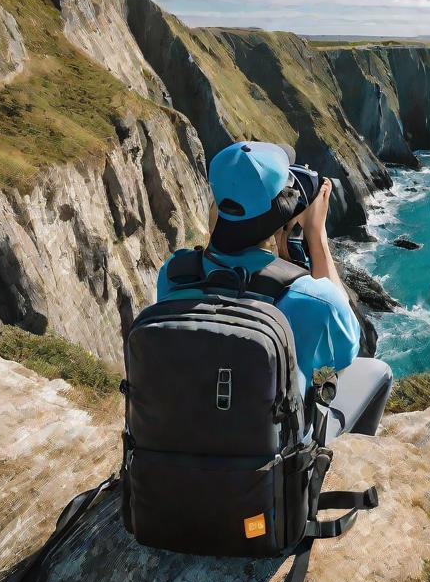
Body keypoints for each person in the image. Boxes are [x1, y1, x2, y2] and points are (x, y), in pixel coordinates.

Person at [156, 140, 393, 443]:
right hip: (270, 466)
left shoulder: (175, 274)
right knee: (377, 370)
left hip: (188, 443)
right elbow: (352, 349)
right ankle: (334, 463)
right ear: (283, 206)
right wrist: (315, 236)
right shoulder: (311, 297)